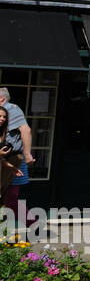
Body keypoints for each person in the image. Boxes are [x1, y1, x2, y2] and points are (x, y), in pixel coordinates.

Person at [0, 88, 34, 222]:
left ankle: (33, 224)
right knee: (9, 198)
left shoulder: (11, 109)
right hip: (7, 159)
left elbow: (26, 130)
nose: (3, 118)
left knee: (10, 197)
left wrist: (27, 153)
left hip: (12, 159)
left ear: (2, 99)